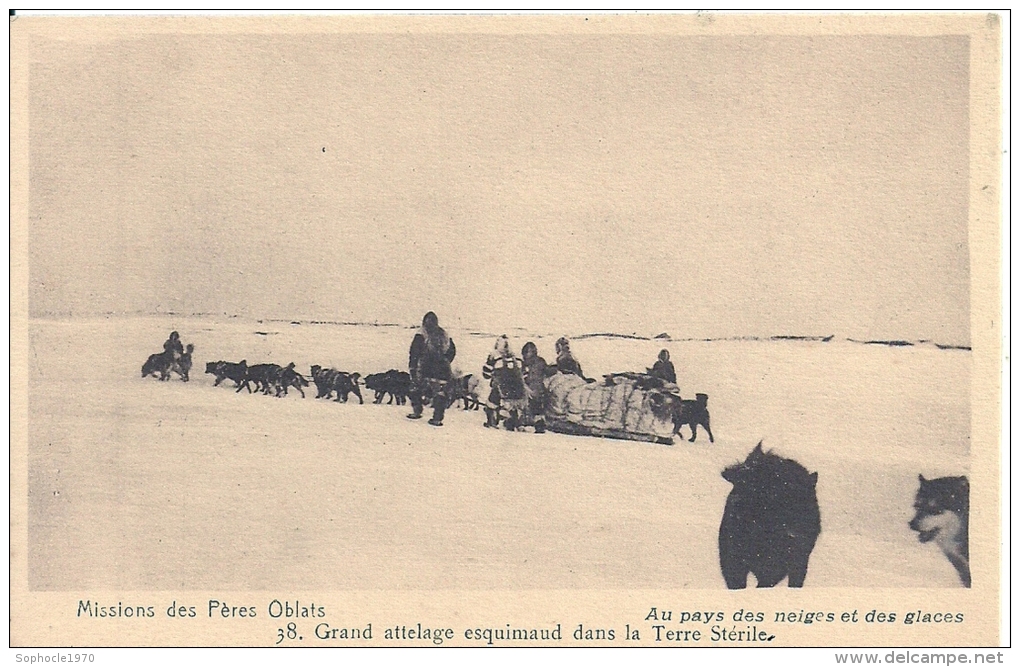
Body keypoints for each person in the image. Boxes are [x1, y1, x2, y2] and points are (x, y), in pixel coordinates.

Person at [407, 312, 456, 426]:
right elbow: (451, 351)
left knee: (415, 387)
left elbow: (414, 352)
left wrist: (413, 367)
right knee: (440, 392)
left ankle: (417, 411)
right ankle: (437, 418)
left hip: (425, 366)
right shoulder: (445, 335)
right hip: (443, 368)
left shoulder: (421, 334)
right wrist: (445, 361)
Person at [482, 335, 527, 430]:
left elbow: (486, 374)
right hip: (519, 390)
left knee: (491, 403)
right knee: (514, 405)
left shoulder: (494, 356)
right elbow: (526, 373)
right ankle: (517, 422)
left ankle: (492, 422)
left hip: (502, 389)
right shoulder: (518, 358)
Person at [521, 342, 548, 433]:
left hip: (530, 391)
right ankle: (539, 422)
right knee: (537, 407)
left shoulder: (524, 364)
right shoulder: (541, 361)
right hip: (540, 391)